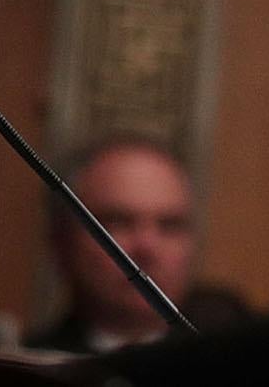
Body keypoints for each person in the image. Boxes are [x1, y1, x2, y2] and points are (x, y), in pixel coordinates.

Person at [24, 135, 247, 354]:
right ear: (61, 240)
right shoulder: (26, 370)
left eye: (169, 226)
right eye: (118, 223)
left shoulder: (249, 355)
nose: (147, 247)